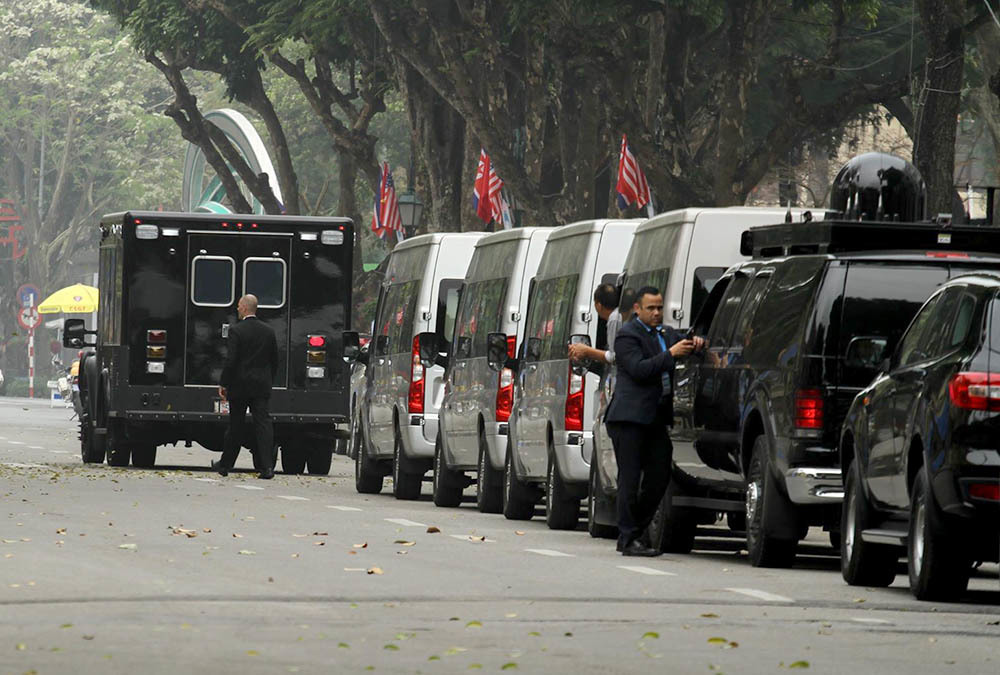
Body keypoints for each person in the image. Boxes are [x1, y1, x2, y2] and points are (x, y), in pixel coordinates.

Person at [604, 286, 705, 556]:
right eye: (651, 308)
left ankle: (634, 531)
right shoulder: (627, 335)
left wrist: (697, 343)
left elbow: (686, 340)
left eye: (660, 307)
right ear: (637, 308)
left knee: (660, 475)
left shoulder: (665, 333)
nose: (657, 313)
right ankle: (628, 539)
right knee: (630, 477)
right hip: (629, 417)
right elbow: (639, 369)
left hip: (655, 418)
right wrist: (671, 354)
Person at [214, 294, 278, 479]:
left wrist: (224, 383)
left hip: (240, 386)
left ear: (244, 308)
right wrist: (268, 380)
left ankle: (226, 465)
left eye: (239, 306)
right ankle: (267, 467)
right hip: (261, 386)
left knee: (236, 426)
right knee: (263, 425)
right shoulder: (268, 331)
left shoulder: (237, 331)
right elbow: (275, 360)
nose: (237, 309)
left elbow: (231, 361)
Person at [568, 283, 620, 368]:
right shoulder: (617, 316)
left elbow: (614, 356)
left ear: (599, 305)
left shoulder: (614, 319)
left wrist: (587, 351)